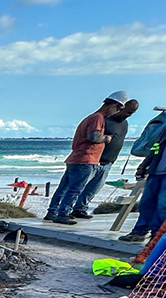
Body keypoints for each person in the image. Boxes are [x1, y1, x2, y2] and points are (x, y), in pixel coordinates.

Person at [44, 92, 127, 225]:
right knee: (75, 189)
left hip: (77, 159)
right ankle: (63, 213)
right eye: (117, 108)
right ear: (112, 105)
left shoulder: (92, 117)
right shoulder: (97, 118)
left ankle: (52, 212)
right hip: (85, 160)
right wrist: (107, 138)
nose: (116, 112)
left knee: (64, 188)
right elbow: (93, 137)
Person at [73, 99, 140, 219]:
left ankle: (80, 209)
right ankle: (63, 210)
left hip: (108, 162)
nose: (128, 115)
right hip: (94, 160)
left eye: (132, 113)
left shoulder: (124, 124)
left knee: (93, 189)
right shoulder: (104, 119)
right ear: (121, 107)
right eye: (128, 111)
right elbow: (93, 137)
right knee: (77, 187)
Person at [120, 125, 166, 243]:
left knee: (162, 207)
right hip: (155, 173)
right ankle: (139, 232)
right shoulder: (163, 131)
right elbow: (155, 148)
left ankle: (156, 237)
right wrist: (144, 165)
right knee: (146, 204)